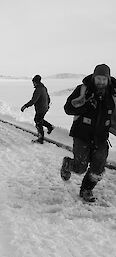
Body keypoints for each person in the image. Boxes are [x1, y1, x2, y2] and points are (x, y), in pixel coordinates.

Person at [60, 64, 116, 202]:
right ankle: (68, 164)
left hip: (101, 137)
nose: (101, 82)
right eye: (98, 78)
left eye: (104, 79)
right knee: (80, 168)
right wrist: (85, 106)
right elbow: (68, 109)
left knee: (98, 168)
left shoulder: (114, 94)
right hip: (82, 135)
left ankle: (86, 190)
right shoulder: (83, 90)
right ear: (94, 77)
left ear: (108, 79)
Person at [21, 75, 54, 144]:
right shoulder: (44, 88)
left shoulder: (38, 90)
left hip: (41, 108)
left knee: (38, 121)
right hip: (44, 107)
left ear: (35, 82)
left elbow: (33, 100)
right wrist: (47, 105)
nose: (33, 84)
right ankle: (50, 126)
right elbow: (48, 97)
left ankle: (41, 139)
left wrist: (25, 106)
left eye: (33, 82)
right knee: (39, 119)